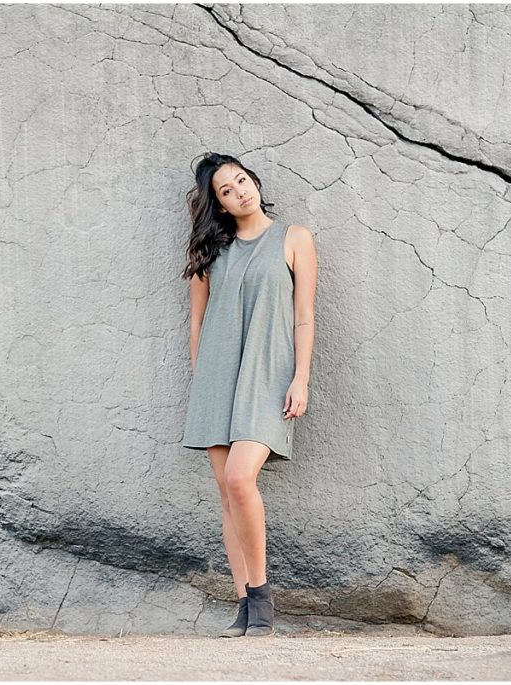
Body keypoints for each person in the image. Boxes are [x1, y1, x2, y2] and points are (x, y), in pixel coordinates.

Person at [179, 153, 318, 638]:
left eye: (242, 180)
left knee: (241, 480)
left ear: (254, 181)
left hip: (268, 375)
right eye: (226, 190)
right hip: (217, 379)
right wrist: (203, 381)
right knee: (226, 495)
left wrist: (300, 377)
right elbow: (198, 322)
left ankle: (260, 599)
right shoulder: (211, 251)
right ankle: (244, 606)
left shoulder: (294, 238)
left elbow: (304, 316)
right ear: (218, 204)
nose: (240, 191)